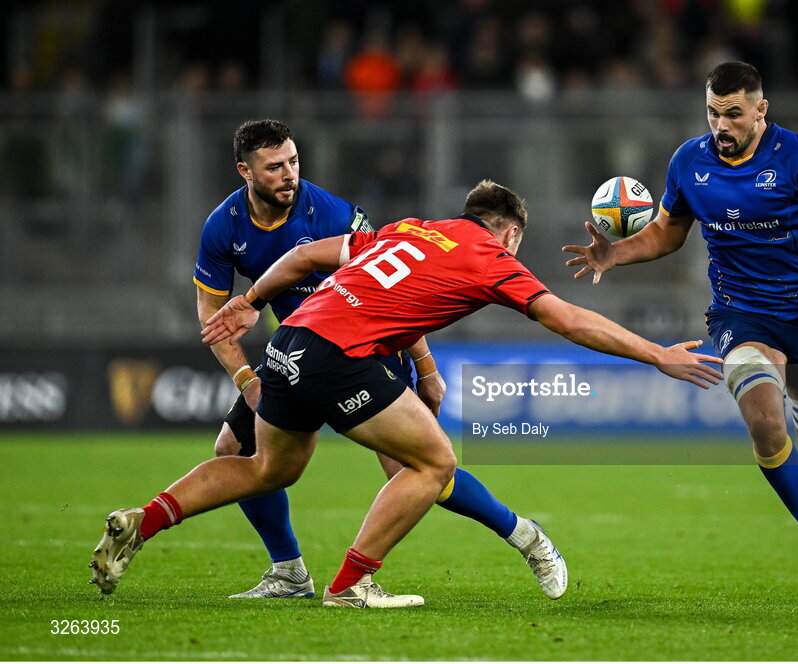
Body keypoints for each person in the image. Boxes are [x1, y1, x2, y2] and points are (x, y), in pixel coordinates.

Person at [90, 180, 724, 608]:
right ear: (509, 235)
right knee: (434, 462)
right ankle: (351, 585)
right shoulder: (490, 255)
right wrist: (657, 353)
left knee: (267, 467)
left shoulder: (413, 229)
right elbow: (567, 318)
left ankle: (140, 520)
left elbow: (310, 255)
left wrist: (251, 302)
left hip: (293, 340)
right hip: (342, 357)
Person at [190, 120, 566, 600]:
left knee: (420, 469)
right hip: (303, 347)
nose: (290, 174)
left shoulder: (335, 215)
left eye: (294, 161)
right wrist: (246, 379)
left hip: (368, 349)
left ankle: (524, 536)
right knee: (233, 449)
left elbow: (396, 291)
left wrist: (427, 371)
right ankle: (288, 572)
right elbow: (215, 313)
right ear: (245, 171)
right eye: (275, 167)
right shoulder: (223, 226)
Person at [564, 62, 798, 602]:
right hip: (738, 315)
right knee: (762, 416)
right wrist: (615, 254)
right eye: (713, 113)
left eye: (733, 114)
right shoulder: (689, 161)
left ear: (761, 110)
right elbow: (667, 234)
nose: (721, 125)